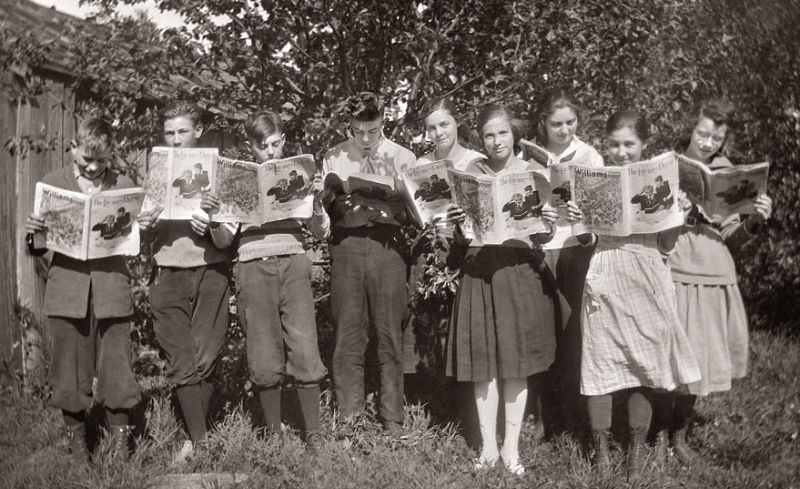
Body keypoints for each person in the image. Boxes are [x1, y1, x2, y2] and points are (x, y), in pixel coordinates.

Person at [565, 110, 700, 481]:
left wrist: (679, 217)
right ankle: (603, 452)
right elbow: (587, 240)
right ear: (605, 145)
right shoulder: (596, 181)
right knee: (599, 365)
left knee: (644, 367)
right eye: (614, 144)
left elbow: (666, 246)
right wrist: (579, 220)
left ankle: (637, 450)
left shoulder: (657, 181)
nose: (622, 152)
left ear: (643, 145)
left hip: (648, 276)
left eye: (629, 145)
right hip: (606, 272)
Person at [653, 100, 773, 465]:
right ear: (690, 129)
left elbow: (734, 237)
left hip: (712, 270)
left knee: (698, 358)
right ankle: (657, 434)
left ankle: (679, 434)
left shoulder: (730, 174)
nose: (707, 143)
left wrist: (754, 220)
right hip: (674, 264)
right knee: (667, 357)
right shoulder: (666, 164)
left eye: (716, 138)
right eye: (702, 133)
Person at [199, 110, 328, 443]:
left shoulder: (297, 172)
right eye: (261, 146)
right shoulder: (238, 179)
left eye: (274, 144)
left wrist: (315, 202)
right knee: (262, 349)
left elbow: (321, 231)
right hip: (252, 264)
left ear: (282, 141)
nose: (270, 152)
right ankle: (273, 434)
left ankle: (313, 433)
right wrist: (215, 216)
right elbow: (224, 240)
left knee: (304, 344)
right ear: (249, 146)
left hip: (294, 262)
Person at [444, 104, 560, 475]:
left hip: (518, 273)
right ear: (482, 138)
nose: (496, 141)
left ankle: (511, 448)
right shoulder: (470, 174)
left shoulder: (531, 174)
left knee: (515, 365)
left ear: (514, 136)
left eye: (503, 133)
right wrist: (458, 224)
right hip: (479, 273)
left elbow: (544, 234)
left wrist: (548, 222)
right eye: (489, 135)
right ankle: (488, 448)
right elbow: (458, 237)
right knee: (484, 367)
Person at [25, 118, 143, 460]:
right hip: (67, 290)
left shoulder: (123, 184)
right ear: (73, 148)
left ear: (111, 156)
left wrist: (140, 225)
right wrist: (35, 232)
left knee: (116, 367)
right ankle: (77, 447)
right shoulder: (52, 184)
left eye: (101, 161)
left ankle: (121, 445)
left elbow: (132, 243)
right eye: (85, 160)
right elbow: (37, 248)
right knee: (68, 369)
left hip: (111, 289)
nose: (92, 168)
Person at [138, 102, 233, 463]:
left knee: (206, 355)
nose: (176, 140)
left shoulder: (219, 172)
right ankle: (200, 441)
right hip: (168, 268)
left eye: (182, 132)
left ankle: (195, 439)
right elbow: (140, 236)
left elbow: (228, 235)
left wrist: (210, 221)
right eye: (169, 133)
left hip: (210, 268)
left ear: (197, 132)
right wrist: (144, 225)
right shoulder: (156, 170)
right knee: (181, 356)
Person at [321, 91, 417, 433]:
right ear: (349, 126)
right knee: (348, 331)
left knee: (389, 331)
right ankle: (348, 417)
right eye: (358, 131)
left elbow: (417, 214)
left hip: (387, 247)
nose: (365, 139)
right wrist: (327, 198)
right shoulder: (334, 156)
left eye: (372, 132)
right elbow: (323, 216)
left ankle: (392, 417)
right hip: (346, 246)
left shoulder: (403, 157)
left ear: (382, 123)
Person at [529, 88, 604, 435]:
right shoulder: (529, 156)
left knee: (574, 333)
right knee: (542, 332)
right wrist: (538, 212)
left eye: (570, 123)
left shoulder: (590, 156)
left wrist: (582, 213)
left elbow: (603, 212)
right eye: (556, 124)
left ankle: (573, 416)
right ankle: (543, 416)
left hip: (576, 248)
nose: (564, 130)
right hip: (543, 248)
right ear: (543, 124)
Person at [417, 97, 486, 170]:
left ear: (457, 122)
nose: (438, 133)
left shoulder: (479, 163)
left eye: (444, 124)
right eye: (432, 128)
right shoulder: (422, 165)